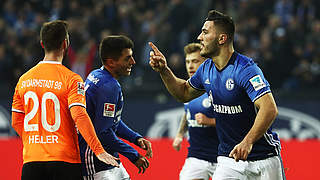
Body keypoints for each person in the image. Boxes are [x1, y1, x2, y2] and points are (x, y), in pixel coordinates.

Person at [149, 10, 286, 180]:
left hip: (264, 159)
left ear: (222, 39)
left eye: (205, 32)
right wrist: (164, 70)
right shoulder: (206, 69)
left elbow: (269, 109)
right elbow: (183, 93)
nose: (199, 37)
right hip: (229, 160)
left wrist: (247, 141)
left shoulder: (246, 69)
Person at [11, 20, 119, 180]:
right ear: (65, 43)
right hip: (65, 160)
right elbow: (79, 115)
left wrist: (37, 142)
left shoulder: (23, 80)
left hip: (32, 161)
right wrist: (98, 150)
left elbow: (16, 121)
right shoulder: (72, 79)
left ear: (42, 44)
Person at [78, 35, 153, 180]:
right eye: (127, 58)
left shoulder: (96, 74)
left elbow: (111, 122)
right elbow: (104, 132)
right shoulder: (108, 87)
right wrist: (134, 155)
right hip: (95, 161)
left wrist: (136, 138)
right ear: (111, 62)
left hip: (110, 159)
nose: (133, 62)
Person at [172, 43, 219, 180]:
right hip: (196, 157)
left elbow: (234, 120)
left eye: (195, 61)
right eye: (187, 62)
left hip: (223, 158)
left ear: (206, 63)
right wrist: (180, 134)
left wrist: (209, 121)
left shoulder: (216, 88)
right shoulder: (188, 89)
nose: (190, 66)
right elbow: (187, 113)